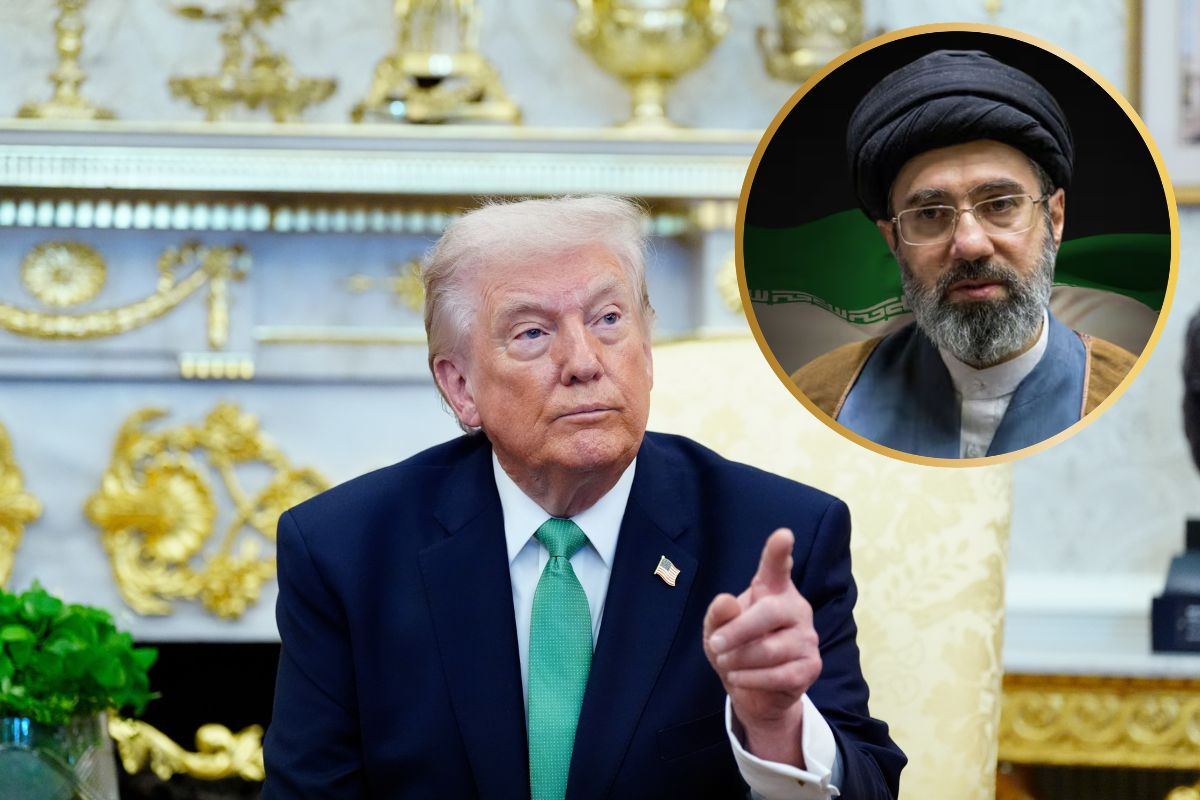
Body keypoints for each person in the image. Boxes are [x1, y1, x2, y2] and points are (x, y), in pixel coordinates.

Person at [262, 196, 904, 799]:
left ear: (646, 351)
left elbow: (870, 785)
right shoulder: (345, 553)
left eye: (608, 319)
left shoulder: (776, 537)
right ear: (460, 387)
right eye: (532, 333)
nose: (584, 362)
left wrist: (776, 726)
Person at [793, 49, 1137, 459]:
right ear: (893, 240)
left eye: (1000, 204)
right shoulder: (823, 397)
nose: (971, 245)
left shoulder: (1127, 396)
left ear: (1055, 218)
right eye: (931, 213)